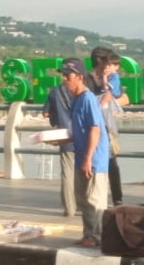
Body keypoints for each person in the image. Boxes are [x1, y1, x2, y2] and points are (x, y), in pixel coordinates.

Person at [61, 57, 110, 247]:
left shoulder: (88, 98)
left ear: (79, 77)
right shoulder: (77, 99)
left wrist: (89, 158)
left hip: (93, 157)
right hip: (82, 155)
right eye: (64, 75)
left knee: (94, 199)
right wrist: (63, 140)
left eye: (68, 76)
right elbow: (81, 130)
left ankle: (97, 236)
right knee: (82, 197)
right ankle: (88, 234)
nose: (65, 79)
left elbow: (94, 129)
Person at [87, 47, 126, 206]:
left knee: (110, 162)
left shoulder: (112, 78)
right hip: (95, 125)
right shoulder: (88, 79)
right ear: (100, 61)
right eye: (107, 62)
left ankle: (116, 198)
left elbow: (121, 97)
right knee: (96, 161)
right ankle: (97, 197)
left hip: (105, 126)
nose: (110, 66)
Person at [42, 83, 76, 217]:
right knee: (85, 172)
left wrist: (56, 116)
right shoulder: (83, 91)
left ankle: (69, 208)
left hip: (64, 136)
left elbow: (46, 113)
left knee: (67, 174)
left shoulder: (55, 91)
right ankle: (85, 203)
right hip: (82, 136)